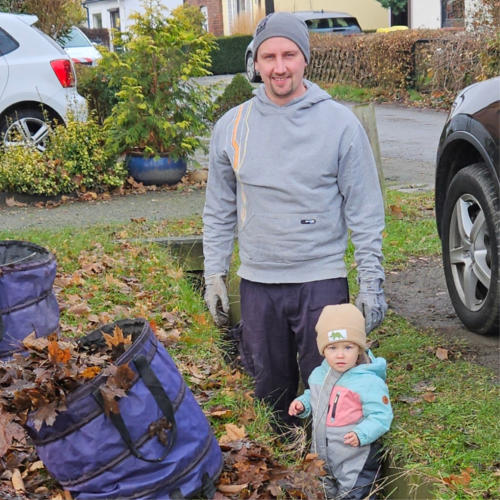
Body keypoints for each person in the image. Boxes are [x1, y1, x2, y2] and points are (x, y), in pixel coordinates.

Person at [203, 11, 387, 429]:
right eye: (269, 57)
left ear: (305, 58)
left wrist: (372, 283)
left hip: (321, 283)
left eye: (289, 55)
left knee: (332, 395)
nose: (279, 67)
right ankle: (284, 462)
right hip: (258, 286)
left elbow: (365, 211)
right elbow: (218, 210)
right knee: (271, 397)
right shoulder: (232, 127)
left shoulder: (340, 125)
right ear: (255, 62)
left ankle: (328, 463)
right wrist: (215, 274)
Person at [289, 303, 393, 499]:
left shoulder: (367, 381)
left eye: (348, 347)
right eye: (332, 348)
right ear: (323, 350)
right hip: (322, 453)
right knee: (321, 490)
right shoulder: (320, 373)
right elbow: (316, 395)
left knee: (355, 494)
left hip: (354, 457)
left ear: (359, 347)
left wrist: (362, 433)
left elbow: (381, 415)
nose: (340, 355)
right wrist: (304, 403)